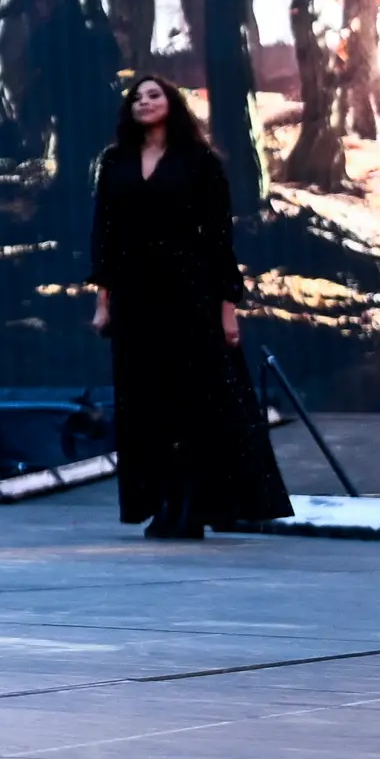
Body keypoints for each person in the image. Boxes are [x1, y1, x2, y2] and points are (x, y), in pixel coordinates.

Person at [88, 76, 289, 538]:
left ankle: (194, 505)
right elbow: (105, 234)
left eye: (153, 94)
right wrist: (104, 301)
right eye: (136, 97)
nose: (144, 102)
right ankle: (162, 501)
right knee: (145, 403)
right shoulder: (115, 162)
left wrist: (227, 310)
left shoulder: (200, 162)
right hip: (136, 295)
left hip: (189, 292)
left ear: (172, 103)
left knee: (193, 402)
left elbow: (219, 239)